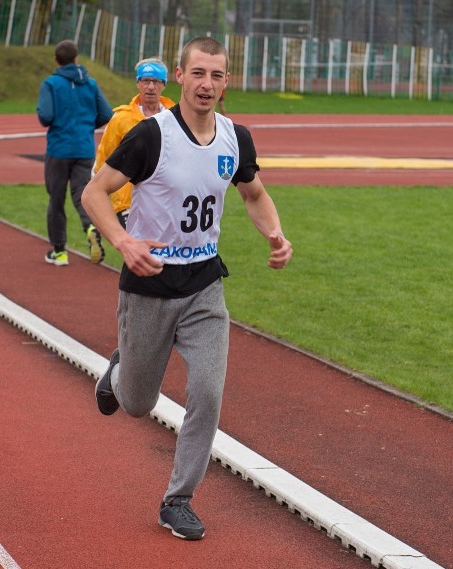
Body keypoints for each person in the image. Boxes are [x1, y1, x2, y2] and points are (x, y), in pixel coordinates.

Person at [82, 36, 293, 540]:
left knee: (208, 392)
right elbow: (95, 192)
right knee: (137, 403)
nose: (207, 84)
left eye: (217, 75)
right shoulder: (152, 136)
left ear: (226, 82)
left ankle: (178, 499)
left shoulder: (235, 138)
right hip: (148, 287)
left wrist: (276, 234)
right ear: (181, 76)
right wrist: (123, 240)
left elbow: (254, 193)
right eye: (198, 73)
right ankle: (118, 374)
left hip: (204, 287)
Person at [37, 39, 113, 266]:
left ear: (56, 60)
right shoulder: (90, 83)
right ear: (76, 58)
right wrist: (88, 125)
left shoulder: (50, 84)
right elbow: (107, 113)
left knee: (56, 199)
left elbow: (45, 117)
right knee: (82, 195)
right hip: (84, 147)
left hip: (59, 149)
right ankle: (90, 227)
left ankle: (59, 251)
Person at [93, 57, 175, 228]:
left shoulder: (175, 117)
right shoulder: (121, 118)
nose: (151, 87)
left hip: (167, 200)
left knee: (163, 252)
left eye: (156, 81)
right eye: (145, 81)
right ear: (138, 83)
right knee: (135, 251)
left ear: (164, 84)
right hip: (128, 202)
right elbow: (104, 158)